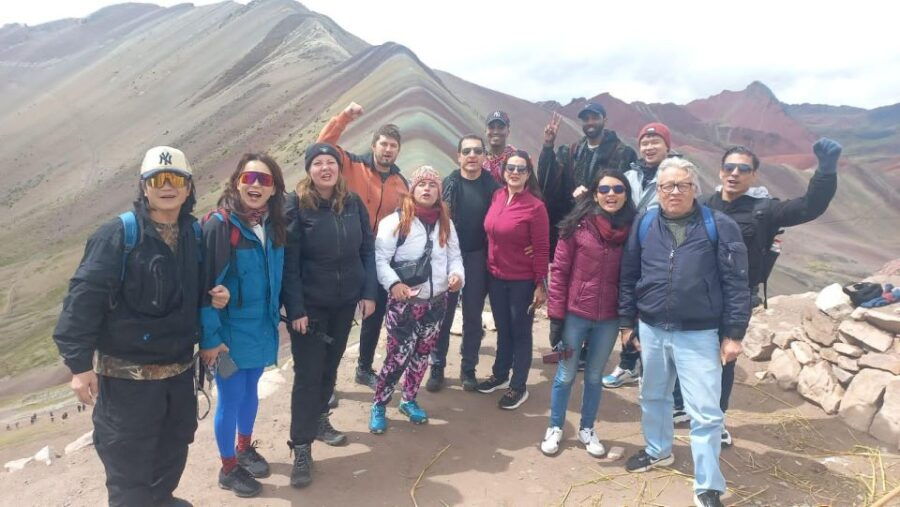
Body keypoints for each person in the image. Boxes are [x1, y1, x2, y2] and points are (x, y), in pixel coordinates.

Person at [53, 146, 229, 507]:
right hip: (127, 383)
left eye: (175, 179)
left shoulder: (193, 234)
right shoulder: (117, 236)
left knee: (174, 447)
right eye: (157, 179)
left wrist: (216, 297)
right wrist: (79, 366)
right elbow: (82, 301)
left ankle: (161, 500)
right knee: (128, 466)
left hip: (178, 375)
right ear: (144, 187)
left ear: (188, 187)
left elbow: (196, 292)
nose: (167, 186)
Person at [668, 138, 842, 446]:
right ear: (720, 171)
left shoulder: (765, 210)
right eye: (729, 167)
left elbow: (809, 206)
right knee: (689, 353)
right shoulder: (704, 205)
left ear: (754, 176)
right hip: (697, 294)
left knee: (723, 358)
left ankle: (716, 419)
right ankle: (684, 405)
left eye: (743, 169)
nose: (734, 173)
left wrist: (826, 171)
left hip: (735, 298)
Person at [619, 157, 750, 507]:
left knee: (705, 412)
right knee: (653, 396)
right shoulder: (646, 222)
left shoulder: (718, 226)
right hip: (652, 328)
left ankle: (708, 485)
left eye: (682, 185)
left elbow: (737, 283)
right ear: (658, 190)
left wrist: (734, 334)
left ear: (695, 188)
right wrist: (627, 322)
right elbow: (629, 274)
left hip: (699, 332)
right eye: (667, 186)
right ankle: (658, 450)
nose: (674, 192)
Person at [282, 143, 377, 488]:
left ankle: (320, 421)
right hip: (310, 309)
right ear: (309, 170)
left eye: (331, 162)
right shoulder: (296, 205)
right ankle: (301, 447)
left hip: (344, 303)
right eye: (318, 163)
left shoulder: (352, 203)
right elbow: (289, 262)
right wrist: (296, 309)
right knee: (308, 377)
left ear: (339, 168)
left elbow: (366, 249)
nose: (325, 168)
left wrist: (368, 292)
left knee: (330, 369)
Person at [199, 153, 286, 498]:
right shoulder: (221, 227)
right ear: (237, 182)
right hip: (228, 337)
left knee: (250, 391)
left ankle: (244, 448)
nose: (255, 185)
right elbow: (205, 290)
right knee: (230, 398)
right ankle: (228, 468)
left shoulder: (272, 226)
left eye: (264, 180)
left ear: (274, 189)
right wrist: (210, 339)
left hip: (260, 330)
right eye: (249, 178)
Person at [540, 170, 636, 457]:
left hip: (609, 318)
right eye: (604, 189)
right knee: (565, 373)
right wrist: (556, 318)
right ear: (595, 194)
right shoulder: (577, 227)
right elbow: (559, 272)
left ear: (626, 194)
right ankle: (555, 426)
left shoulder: (633, 231)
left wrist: (629, 320)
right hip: (575, 314)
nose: (611, 194)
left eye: (618, 189)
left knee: (594, 376)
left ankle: (587, 428)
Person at [317, 102, 408, 390]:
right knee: (335, 316)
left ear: (398, 151)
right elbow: (322, 146)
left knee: (374, 313)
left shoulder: (401, 183)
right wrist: (344, 117)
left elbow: (407, 220)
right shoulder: (351, 164)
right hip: (344, 250)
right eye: (384, 144)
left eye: (393, 146)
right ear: (374, 145)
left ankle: (364, 367)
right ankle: (326, 382)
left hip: (376, 257)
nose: (388, 150)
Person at [369, 166, 464, 433]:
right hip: (405, 304)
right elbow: (380, 259)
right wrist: (394, 284)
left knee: (422, 354)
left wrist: (457, 275)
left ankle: (409, 399)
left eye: (432, 185)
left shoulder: (446, 223)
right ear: (412, 189)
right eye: (422, 184)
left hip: (436, 302)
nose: (427, 189)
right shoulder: (396, 222)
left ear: (439, 191)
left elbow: (455, 256)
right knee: (397, 356)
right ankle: (379, 404)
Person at [425, 134, 499, 392]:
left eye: (477, 151)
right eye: (466, 151)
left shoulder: (492, 186)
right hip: (449, 256)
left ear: (484, 156)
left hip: (478, 256)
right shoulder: (450, 183)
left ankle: (468, 368)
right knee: (444, 314)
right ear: (459, 156)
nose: (472, 155)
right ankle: (437, 366)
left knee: (473, 315)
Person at [477, 150, 550, 410]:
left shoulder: (535, 207)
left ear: (528, 174)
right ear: (503, 171)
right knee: (503, 329)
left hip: (522, 280)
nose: (515, 173)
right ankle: (500, 375)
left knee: (520, 333)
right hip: (496, 277)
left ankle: (518, 386)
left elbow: (541, 248)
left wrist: (540, 284)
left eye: (521, 169)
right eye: (511, 168)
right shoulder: (497, 196)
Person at [603, 122, 673, 390]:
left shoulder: (677, 175)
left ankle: (652, 370)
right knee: (628, 304)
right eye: (645, 142)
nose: (649, 147)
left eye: (656, 142)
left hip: (660, 253)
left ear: (667, 146)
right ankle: (628, 363)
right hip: (627, 250)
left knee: (651, 308)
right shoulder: (629, 176)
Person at [538, 105, 637, 256]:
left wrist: (590, 198)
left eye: (595, 118)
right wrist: (548, 146)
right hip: (571, 227)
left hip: (606, 232)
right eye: (586, 119)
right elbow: (549, 182)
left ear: (604, 120)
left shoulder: (623, 153)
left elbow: (626, 194)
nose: (590, 122)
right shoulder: (570, 151)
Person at [483, 111, 517, 185]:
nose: (496, 132)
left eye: (501, 128)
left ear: (508, 132)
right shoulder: (478, 157)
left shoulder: (517, 159)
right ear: (485, 131)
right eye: (491, 127)